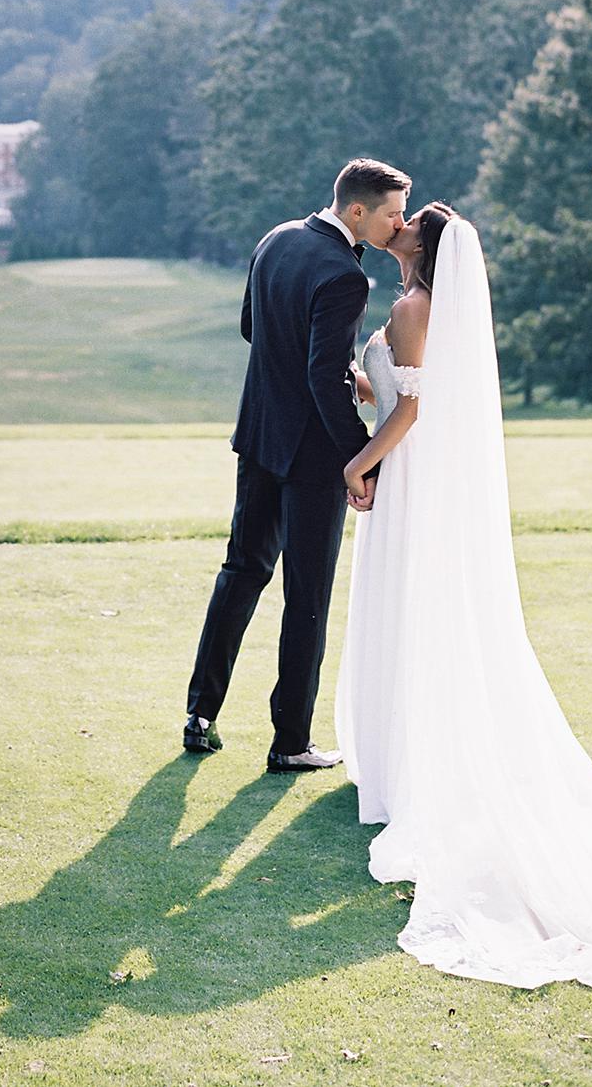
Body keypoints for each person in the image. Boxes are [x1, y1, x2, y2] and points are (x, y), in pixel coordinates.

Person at [335, 205, 592, 1007]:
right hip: (410, 474)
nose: (401, 226)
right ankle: (395, 754)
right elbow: (396, 391)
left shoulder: (417, 309)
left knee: (413, 620)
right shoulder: (416, 310)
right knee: (407, 619)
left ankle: (413, 763)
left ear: (427, 248)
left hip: (408, 479)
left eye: (410, 222)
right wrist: (356, 379)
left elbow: (410, 414)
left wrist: (357, 465)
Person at [183, 158, 409, 771]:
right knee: (305, 594)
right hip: (310, 456)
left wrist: (333, 376)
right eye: (392, 213)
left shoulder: (276, 238)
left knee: (241, 571)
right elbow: (320, 373)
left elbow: (253, 328)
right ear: (358, 210)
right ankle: (290, 743)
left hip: (258, 435)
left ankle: (199, 713)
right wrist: (356, 457)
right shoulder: (345, 276)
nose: (400, 223)